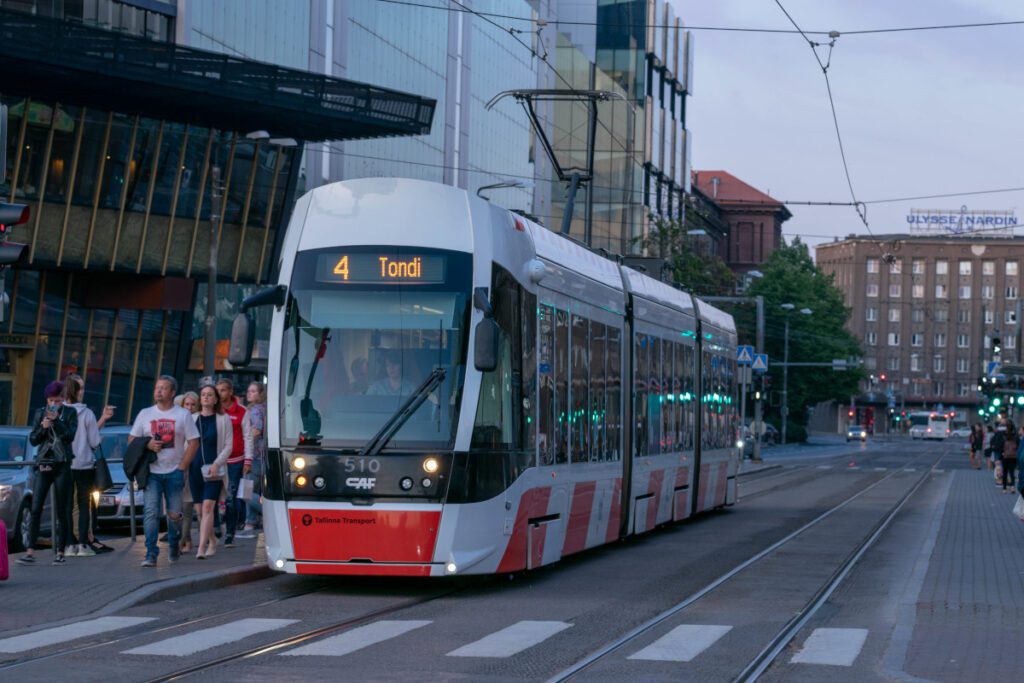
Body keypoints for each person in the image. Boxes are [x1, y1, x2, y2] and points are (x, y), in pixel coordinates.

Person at [128, 375, 199, 567]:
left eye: (163, 388)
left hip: (174, 472)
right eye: (157, 388)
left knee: (174, 514)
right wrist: (148, 444)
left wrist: (182, 466)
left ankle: (174, 543)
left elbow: (194, 442)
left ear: (172, 393)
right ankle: (151, 553)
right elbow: (132, 440)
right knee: (151, 511)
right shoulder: (145, 414)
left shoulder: (182, 414)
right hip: (151, 472)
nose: (158, 391)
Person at [20, 381, 78, 565]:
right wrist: (43, 427)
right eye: (52, 400)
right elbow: (34, 439)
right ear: (47, 399)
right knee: (36, 507)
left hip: (62, 464)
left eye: (58, 400)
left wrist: (57, 422)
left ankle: (61, 552)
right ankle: (30, 551)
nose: (54, 403)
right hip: (44, 463)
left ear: (63, 399)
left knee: (63, 509)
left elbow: (70, 436)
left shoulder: (70, 413)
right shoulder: (39, 412)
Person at [63, 374, 115, 557]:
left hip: (64, 465)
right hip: (83, 464)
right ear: (75, 391)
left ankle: (69, 544)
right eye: (81, 388)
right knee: (84, 505)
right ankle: (83, 545)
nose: (84, 391)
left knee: (68, 505)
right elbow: (94, 441)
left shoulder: (59, 412)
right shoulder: (86, 413)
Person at [191, 384, 232, 559]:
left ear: (216, 399)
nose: (206, 397)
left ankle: (202, 547)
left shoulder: (223, 419)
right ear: (200, 399)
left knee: (208, 507)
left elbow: (229, 445)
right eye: (203, 395)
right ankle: (213, 539)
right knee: (200, 511)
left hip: (214, 470)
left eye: (210, 395)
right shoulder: (192, 418)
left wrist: (217, 463)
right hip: (194, 468)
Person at [216, 377, 247, 547]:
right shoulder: (213, 410)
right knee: (213, 496)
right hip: (215, 461)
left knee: (230, 497)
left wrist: (248, 460)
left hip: (235, 460)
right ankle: (215, 527)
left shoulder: (241, 411)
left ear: (230, 392)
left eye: (223, 390)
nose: (220, 394)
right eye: (218, 390)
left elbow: (248, 437)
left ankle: (230, 533)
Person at [238, 382, 267, 539]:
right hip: (263, 456)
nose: (249, 394)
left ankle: (266, 512)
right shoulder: (266, 408)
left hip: (254, 455)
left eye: (253, 391)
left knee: (247, 492)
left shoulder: (255, 410)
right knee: (254, 490)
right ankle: (251, 522)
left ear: (261, 393)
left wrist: (244, 442)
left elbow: (256, 430)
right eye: (248, 391)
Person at [175, 391, 200, 552]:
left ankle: (181, 542)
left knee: (187, 507)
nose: (190, 408)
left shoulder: (199, 419)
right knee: (175, 509)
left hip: (192, 467)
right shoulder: (179, 418)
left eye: (192, 405)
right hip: (175, 466)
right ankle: (187, 539)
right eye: (187, 404)